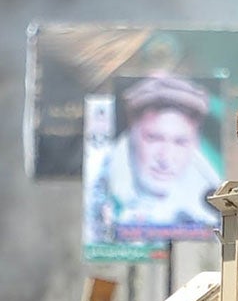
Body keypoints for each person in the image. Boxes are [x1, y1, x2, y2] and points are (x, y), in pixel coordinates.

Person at [90, 73, 223, 237]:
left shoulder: (207, 205)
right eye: (154, 138)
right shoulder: (101, 189)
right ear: (131, 133)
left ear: (195, 143)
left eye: (180, 142)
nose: (165, 158)